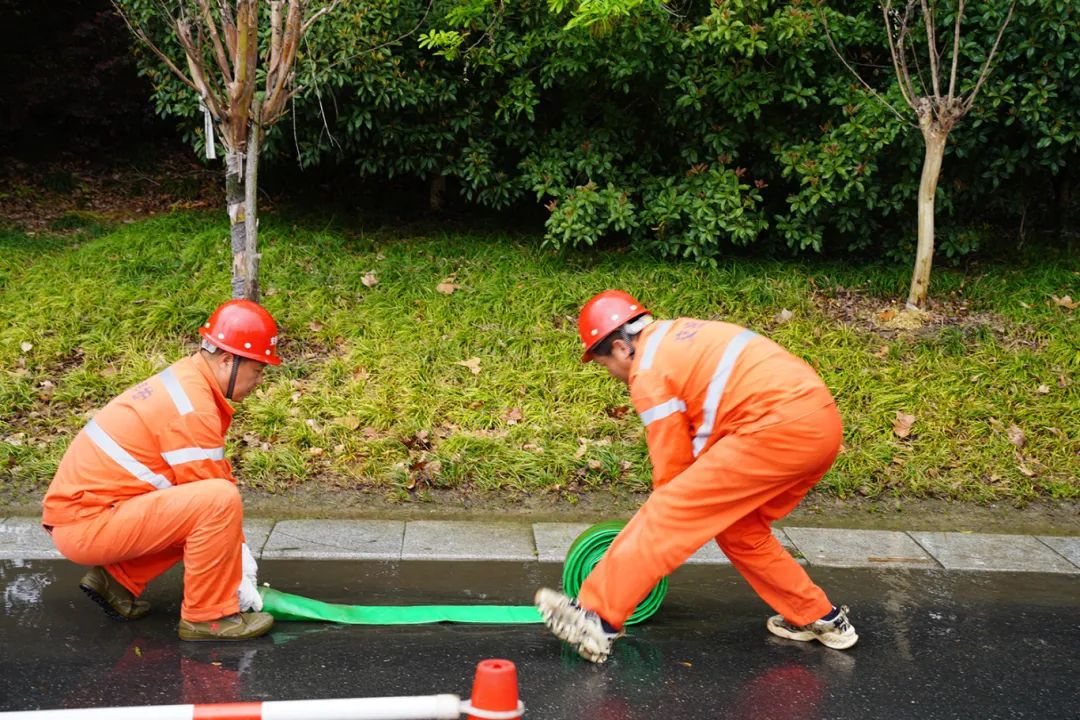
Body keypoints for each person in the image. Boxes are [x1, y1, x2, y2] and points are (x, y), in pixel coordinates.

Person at [535, 290, 858, 662]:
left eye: (604, 363)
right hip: (820, 424)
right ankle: (819, 616)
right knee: (740, 530)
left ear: (622, 348)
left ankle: (596, 618)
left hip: (774, 428)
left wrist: (653, 530)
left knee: (670, 512)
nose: (611, 374)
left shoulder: (649, 372)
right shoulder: (678, 335)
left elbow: (673, 474)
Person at [42, 299, 280, 641]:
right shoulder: (193, 407)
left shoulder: (188, 383)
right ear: (228, 360)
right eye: (257, 369)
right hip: (86, 524)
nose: (259, 380)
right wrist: (240, 576)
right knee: (217, 502)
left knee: (202, 506)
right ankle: (208, 617)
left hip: (86, 516)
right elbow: (216, 503)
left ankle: (116, 581)